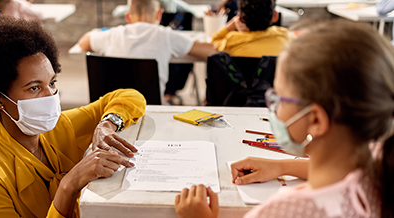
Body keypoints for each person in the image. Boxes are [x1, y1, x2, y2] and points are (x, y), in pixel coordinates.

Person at [175, 19, 394, 218]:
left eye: (279, 98)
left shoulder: (281, 211)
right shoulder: (378, 163)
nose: (274, 108)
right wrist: (281, 167)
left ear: (316, 120)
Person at [0, 16, 146, 217]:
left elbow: (130, 96)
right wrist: (68, 186)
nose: (50, 96)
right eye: (34, 88)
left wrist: (108, 124)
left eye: (52, 83)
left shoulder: (60, 128)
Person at [77, 0, 217, 104]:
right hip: (153, 109)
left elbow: (83, 42)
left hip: (112, 109)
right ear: (159, 14)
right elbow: (211, 51)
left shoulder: (112, 35)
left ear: (127, 17)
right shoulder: (166, 36)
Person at [210, 0, 287, 57]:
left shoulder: (231, 42)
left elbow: (213, 43)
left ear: (239, 17)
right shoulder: (285, 37)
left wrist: (232, 24)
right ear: (275, 16)